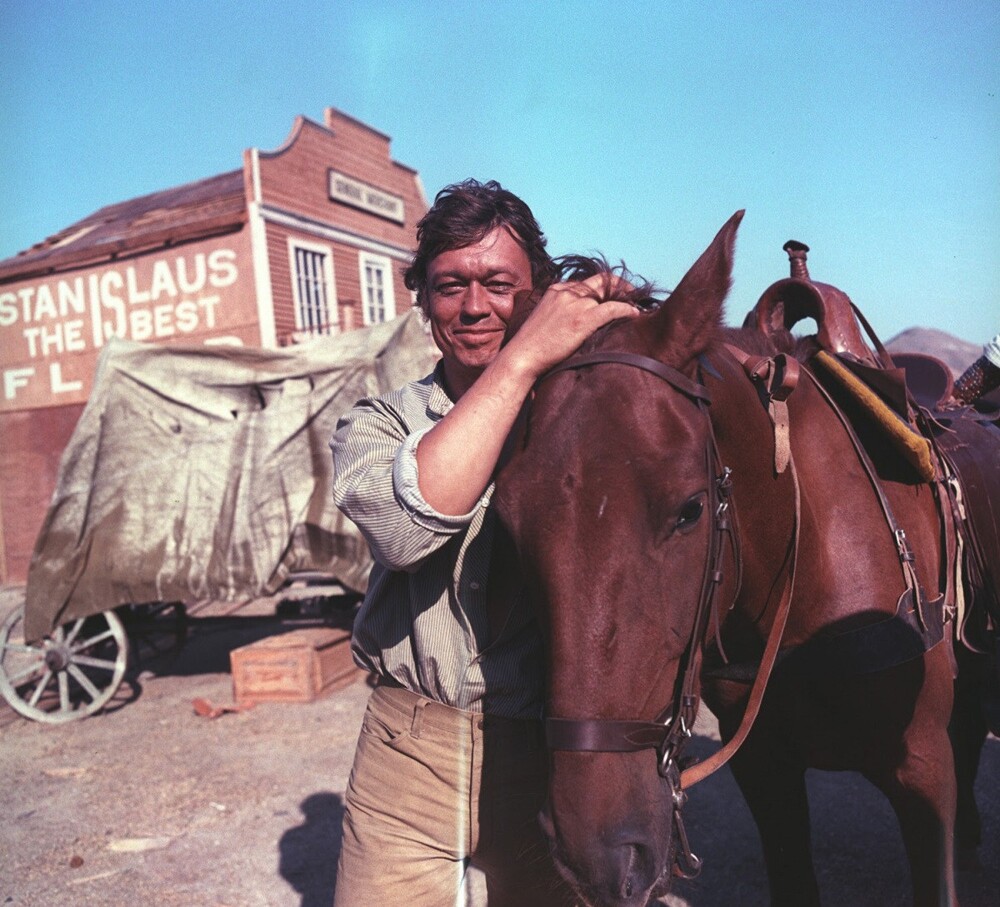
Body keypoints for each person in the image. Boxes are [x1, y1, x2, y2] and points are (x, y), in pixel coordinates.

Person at [329, 179, 639, 906]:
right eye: (449, 286)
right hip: (407, 758)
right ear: (421, 301)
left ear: (538, 296)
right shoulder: (379, 423)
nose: (473, 307)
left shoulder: (591, 423)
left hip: (546, 758)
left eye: (500, 284)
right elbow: (406, 531)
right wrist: (522, 361)